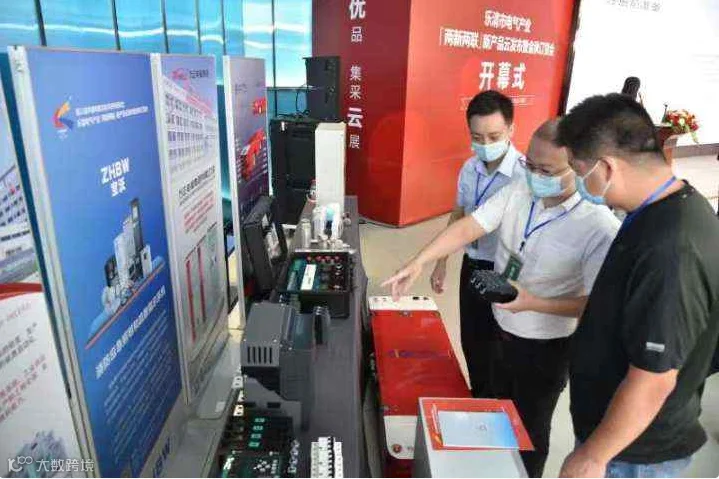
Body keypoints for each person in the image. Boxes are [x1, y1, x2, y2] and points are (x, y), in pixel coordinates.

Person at [383, 119, 619, 477]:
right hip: (499, 326)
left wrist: (534, 303)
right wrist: (421, 260)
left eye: (546, 170)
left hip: (544, 348)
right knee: (492, 408)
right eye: (530, 165)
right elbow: (470, 225)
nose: (534, 175)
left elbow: (597, 305)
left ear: (578, 167)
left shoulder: (599, 227)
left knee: (529, 431)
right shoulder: (521, 188)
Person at [555, 93, 719, 478]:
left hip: (632, 454)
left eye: (579, 171)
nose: (578, 182)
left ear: (607, 167)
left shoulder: (670, 249)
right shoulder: (666, 207)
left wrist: (593, 457)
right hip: (617, 434)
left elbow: (654, 378)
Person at [431, 90, 524, 398]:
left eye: (494, 136)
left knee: (497, 345)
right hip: (472, 262)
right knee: (471, 338)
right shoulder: (469, 169)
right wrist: (441, 262)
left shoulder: (523, 175)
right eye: (477, 137)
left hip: (504, 270)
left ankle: (494, 403)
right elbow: (458, 216)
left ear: (511, 129)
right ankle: (477, 396)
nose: (485, 144)